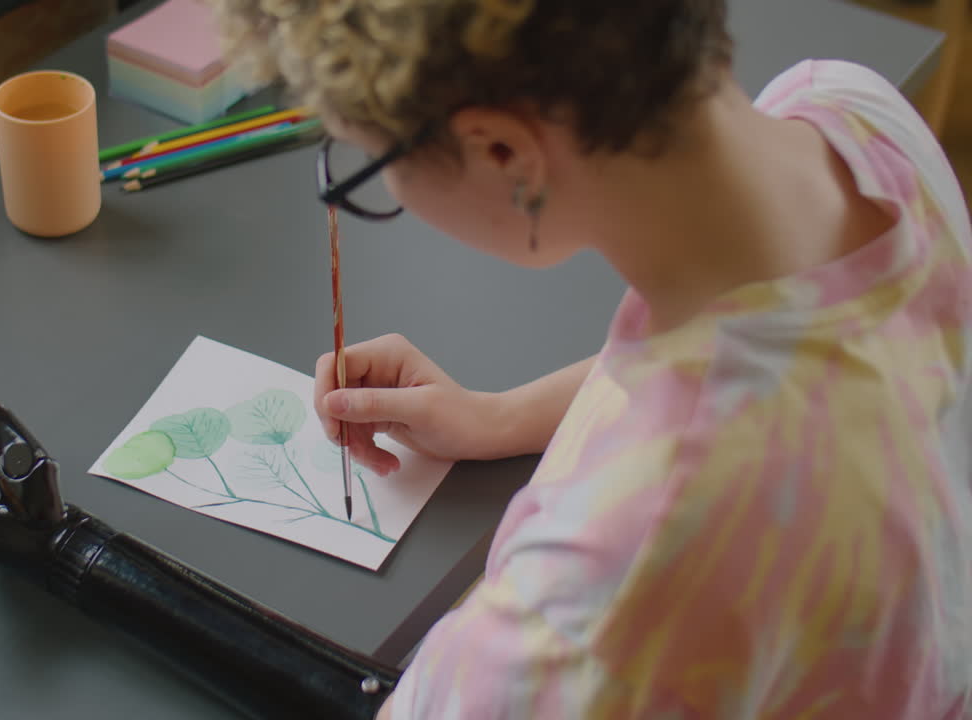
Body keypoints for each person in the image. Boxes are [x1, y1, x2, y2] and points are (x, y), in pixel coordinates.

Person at [204, 0, 972, 716]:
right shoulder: (851, 116)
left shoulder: (612, 581)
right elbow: (769, 354)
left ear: (503, 149)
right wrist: (501, 417)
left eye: (370, 164)